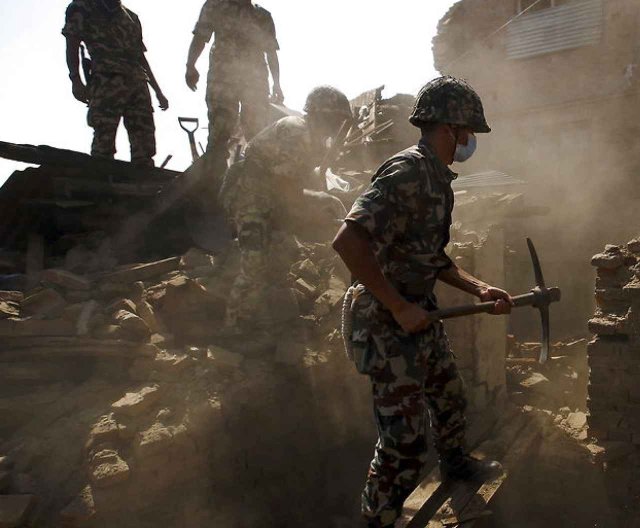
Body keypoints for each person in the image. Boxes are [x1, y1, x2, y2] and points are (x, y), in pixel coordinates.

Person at [332, 76, 512, 528]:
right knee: (403, 445)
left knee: (449, 396)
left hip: (419, 312)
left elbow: (432, 258)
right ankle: (376, 521)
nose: (471, 141)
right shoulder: (407, 171)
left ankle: (454, 464)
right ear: (451, 128)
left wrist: (480, 289)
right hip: (384, 321)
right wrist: (397, 306)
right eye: (468, 131)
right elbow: (347, 241)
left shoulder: (439, 182)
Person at [220, 86, 352, 333]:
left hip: (270, 201)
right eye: (336, 120)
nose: (337, 128)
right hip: (251, 200)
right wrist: (320, 199)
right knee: (254, 261)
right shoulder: (297, 131)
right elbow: (285, 188)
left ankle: (266, 321)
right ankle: (235, 329)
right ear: (322, 115)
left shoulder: (311, 138)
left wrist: (321, 201)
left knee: (282, 254)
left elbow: (297, 183)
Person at [63, 0, 169, 167]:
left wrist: (158, 91)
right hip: (106, 81)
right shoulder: (82, 7)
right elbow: (72, 44)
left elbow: (140, 57)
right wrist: (75, 80)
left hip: (138, 84)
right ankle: (103, 185)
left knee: (144, 145)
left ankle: (144, 186)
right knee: (103, 143)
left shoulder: (132, 17)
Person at [186, 0, 282, 158]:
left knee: (257, 134)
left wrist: (277, 84)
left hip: (254, 83)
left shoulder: (262, 16)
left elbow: (271, 52)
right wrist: (190, 65)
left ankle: (254, 179)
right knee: (220, 131)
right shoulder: (215, 6)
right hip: (223, 80)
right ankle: (212, 179)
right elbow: (200, 37)